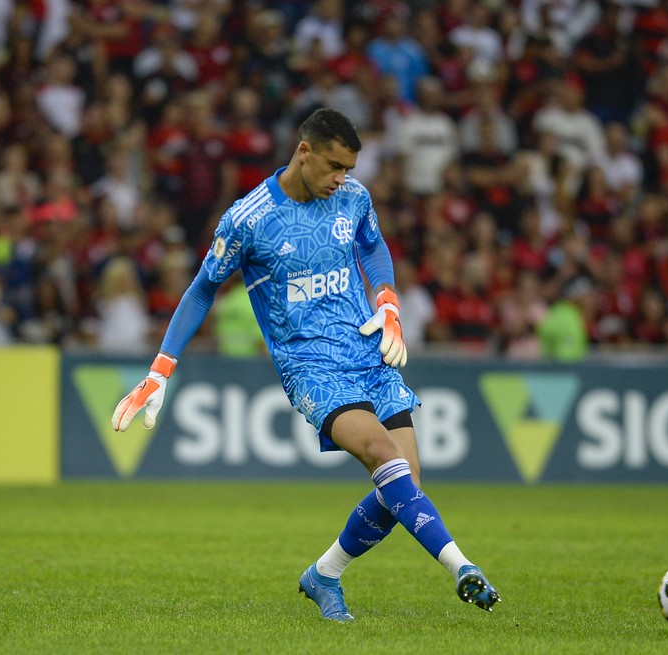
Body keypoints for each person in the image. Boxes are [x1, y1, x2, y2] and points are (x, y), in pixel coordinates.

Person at [110, 109, 499, 621]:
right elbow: (203, 288)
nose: (342, 179)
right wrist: (161, 368)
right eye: (335, 166)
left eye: (349, 169)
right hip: (311, 367)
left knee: (405, 490)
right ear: (304, 151)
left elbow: (373, 244)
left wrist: (387, 300)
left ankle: (324, 575)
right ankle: (462, 568)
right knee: (384, 456)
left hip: (368, 352)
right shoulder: (249, 219)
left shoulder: (353, 198)